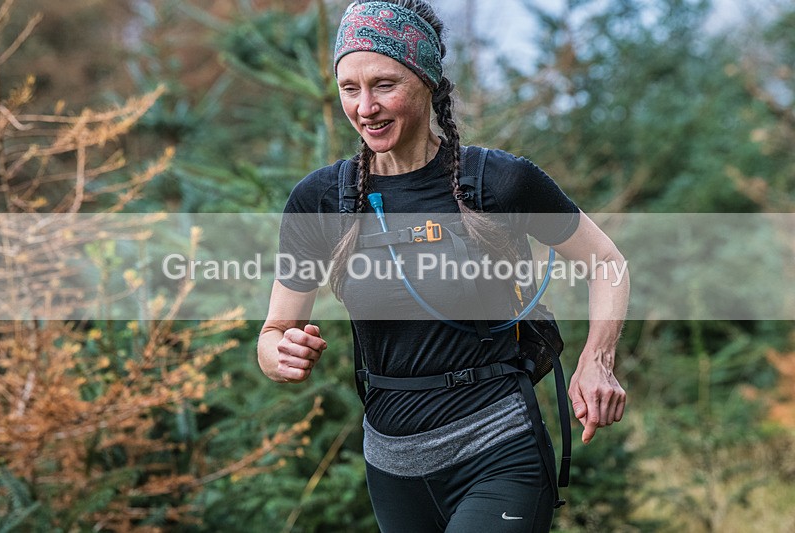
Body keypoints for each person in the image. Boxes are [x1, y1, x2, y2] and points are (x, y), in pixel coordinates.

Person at [258, 1, 629, 531]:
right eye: (349, 88)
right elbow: (273, 334)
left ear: (427, 82)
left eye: (384, 84)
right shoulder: (322, 199)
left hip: (498, 449)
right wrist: (281, 354)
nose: (365, 107)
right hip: (393, 467)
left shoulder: (497, 182)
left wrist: (598, 359)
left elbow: (607, 262)